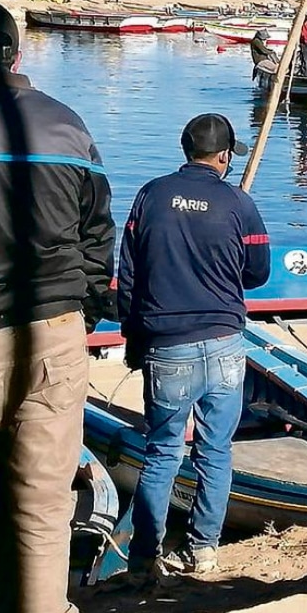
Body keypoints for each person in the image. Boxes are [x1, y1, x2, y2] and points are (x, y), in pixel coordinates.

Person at [0, 0, 115, 613]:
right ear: (15, 54)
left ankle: (34, 610)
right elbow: (96, 236)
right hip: (60, 331)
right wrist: (84, 313)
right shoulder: (67, 124)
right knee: (45, 494)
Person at [118, 114, 270, 580]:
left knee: (162, 451)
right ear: (224, 156)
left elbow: (129, 276)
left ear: (185, 149)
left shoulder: (151, 194)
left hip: (167, 345)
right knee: (215, 451)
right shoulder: (238, 203)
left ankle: (145, 557)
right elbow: (258, 272)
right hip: (224, 339)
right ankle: (204, 551)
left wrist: (132, 337)